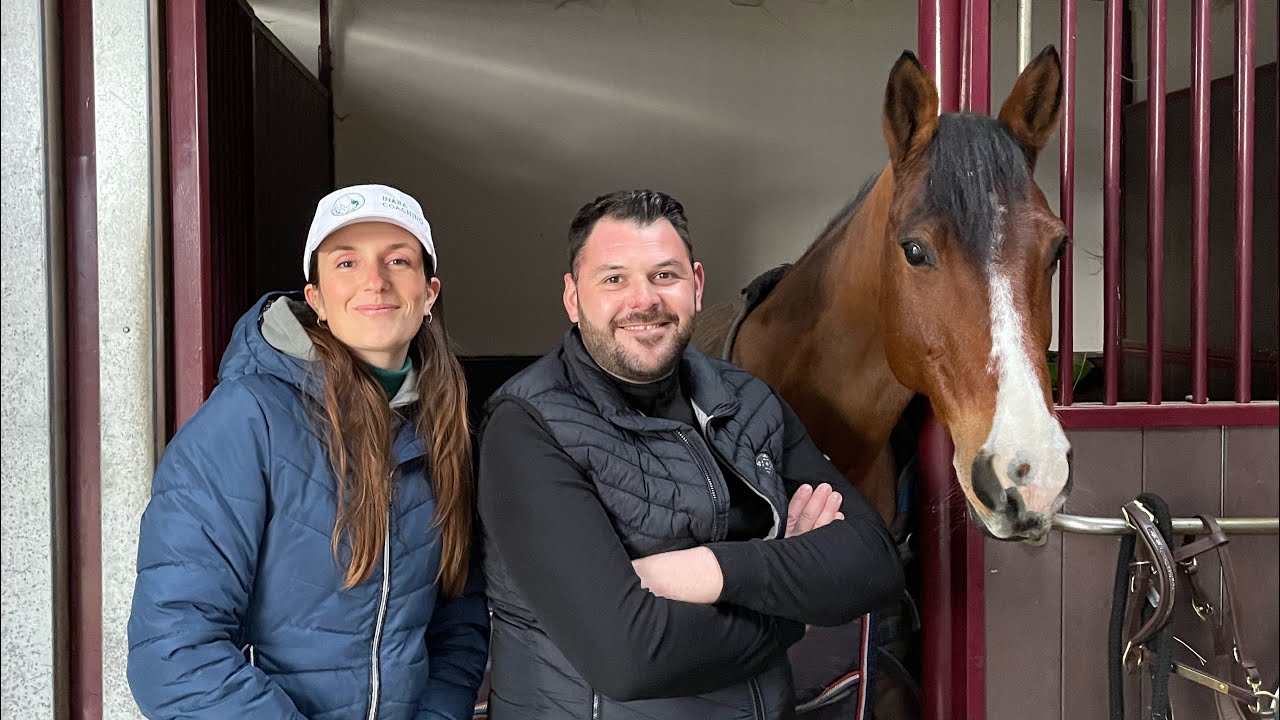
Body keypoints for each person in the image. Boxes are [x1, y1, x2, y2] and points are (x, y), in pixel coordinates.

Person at [476, 189, 905, 718]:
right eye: (614, 279)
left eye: (664, 275)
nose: (644, 300)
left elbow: (873, 562)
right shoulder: (527, 426)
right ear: (573, 297)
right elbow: (630, 658)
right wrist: (796, 603)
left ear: (696, 285)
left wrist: (709, 570)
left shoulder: (748, 401)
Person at [127, 184, 489, 719]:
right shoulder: (248, 419)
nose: (375, 281)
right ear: (315, 297)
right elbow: (172, 652)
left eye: (398, 260)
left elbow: (456, 624)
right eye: (346, 262)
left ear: (429, 292)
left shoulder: (444, 430)